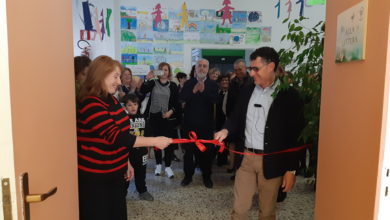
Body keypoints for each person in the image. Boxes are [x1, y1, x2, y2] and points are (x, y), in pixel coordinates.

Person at [77, 55, 171, 220]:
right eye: (115, 76)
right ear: (100, 75)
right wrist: (155, 141)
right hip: (97, 177)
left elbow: (121, 131)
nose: (119, 82)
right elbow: (116, 136)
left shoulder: (110, 99)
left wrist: (125, 162)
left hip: (115, 172)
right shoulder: (91, 103)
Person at [214, 47, 304, 220]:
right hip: (246, 159)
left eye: (256, 69)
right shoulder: (246, 91)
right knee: (239, 210)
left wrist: (291, 169)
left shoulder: (289, 96)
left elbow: (294, 136)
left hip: (272, 161)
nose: (252, 73)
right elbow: (235, 117)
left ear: (271, 67)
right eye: (251, 69)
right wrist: (226, 130)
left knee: (267, 212)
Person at [180, 58, 218, 188]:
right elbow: (182, 99)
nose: (202, 68)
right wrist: (193, 91)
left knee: (206, 154)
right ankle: (188, 176)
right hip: (189, 126)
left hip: (206, 127)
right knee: (188, 154)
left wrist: (204, 91)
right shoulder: (189, 83)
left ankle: (207, 177)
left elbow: (215, 100)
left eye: (204, 66)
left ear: (208, 69)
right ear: (195, 68)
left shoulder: (213, 84)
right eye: (199, 66)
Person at [140, 62, 179, 178]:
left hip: (167, 118)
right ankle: (158, 165)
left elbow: (176, 103)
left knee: (168, 143)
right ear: (158, 72)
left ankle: (167, 166)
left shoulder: (173, 85)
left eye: (166, 70)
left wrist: (170, 112)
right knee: (156, 142)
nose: (164, 72)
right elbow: (142, 90)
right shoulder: (153, 83)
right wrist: (147, 78)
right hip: (154, 118)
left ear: (169, 72)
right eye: (161, 70)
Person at [122, 93, 154, 201]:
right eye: (129, 105)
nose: (133, 107)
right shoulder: (123, 120)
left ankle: (142, 190)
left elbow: (148, 135)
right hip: (128, 153)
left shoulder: (144, 118)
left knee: (141, 173)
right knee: (126, 174)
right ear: (125, 106)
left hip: (142, 153)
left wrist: (148, 151)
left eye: (135, 104)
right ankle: (122, 192)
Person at [226, 58, 252, 179]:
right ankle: (236, 169)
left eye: (240, 69)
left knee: (243, 147)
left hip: (248, 120)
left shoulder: (252, 81)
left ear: (245, 68)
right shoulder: (233, 82)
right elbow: (230, 101)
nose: (238, 72)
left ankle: (241, 172)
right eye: (235, 70)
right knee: (233, 145)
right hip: (234, 119)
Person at [215, 74, 230, 166]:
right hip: (218, 120)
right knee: (219, 141)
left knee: (226, 142)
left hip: (227, 121)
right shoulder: (217, 93)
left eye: (227, 80)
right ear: (219, 82)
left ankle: (224, 159)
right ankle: (220, 158)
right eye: (223, 80)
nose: (225, 82)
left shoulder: (231, 93)